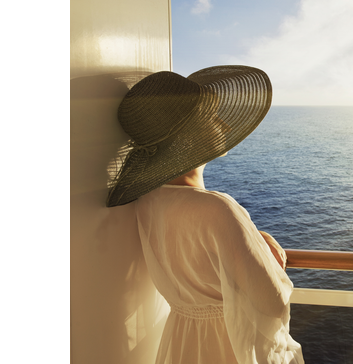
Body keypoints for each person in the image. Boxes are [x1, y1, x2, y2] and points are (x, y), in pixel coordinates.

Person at [107, 66, 304, 364]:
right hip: (226, 346)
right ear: (189, 133)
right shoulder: (217, 208)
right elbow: (273, 303)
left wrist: (253, 236)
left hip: (182, 340)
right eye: (213, 118)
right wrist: (263, 251)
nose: (224, 125)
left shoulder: (149, 200)